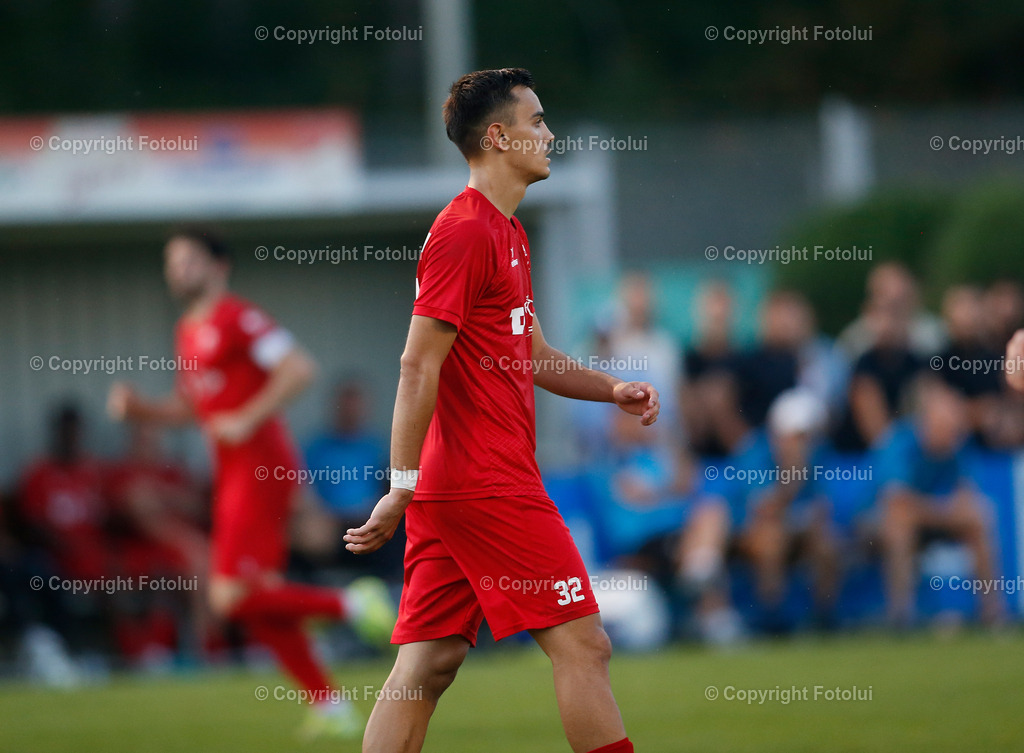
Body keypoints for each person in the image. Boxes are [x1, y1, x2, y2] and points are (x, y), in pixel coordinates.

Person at [343, 68, 659, 753]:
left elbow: (533, 353)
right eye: (537, 121)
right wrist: (399, 487)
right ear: (497, 137)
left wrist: (611, 388)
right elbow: (415, 363)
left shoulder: (506, 232)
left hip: (456, 484)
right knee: (584, 641)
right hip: (486, 482)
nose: (549, 134)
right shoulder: (463, 232)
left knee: (426, 665)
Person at [107, 228, 395, 740]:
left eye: (189, 260)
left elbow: (299, 368)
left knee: (227, 597)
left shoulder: (237, 317)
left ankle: (352, 603)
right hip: (235, 472)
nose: (178, 270)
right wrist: (141, 410)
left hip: (261, 468)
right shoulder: (188, 331)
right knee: (254, 597)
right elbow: (194, 407)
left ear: (219, 266)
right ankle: (330, 706)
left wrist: (246, 416)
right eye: (172, 262)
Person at [875, 377, 1003, 627]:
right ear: (926, 420)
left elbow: (968, 495)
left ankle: (992, 613)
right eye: (945, 422)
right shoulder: (899, 442)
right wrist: (945, 510)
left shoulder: (956, 445)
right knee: (899, 524)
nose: (952, 429)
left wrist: (946, 511)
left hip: (930, 518)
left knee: (981, 516)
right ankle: (901, 616)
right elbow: (896, 502)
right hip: (872, 524)